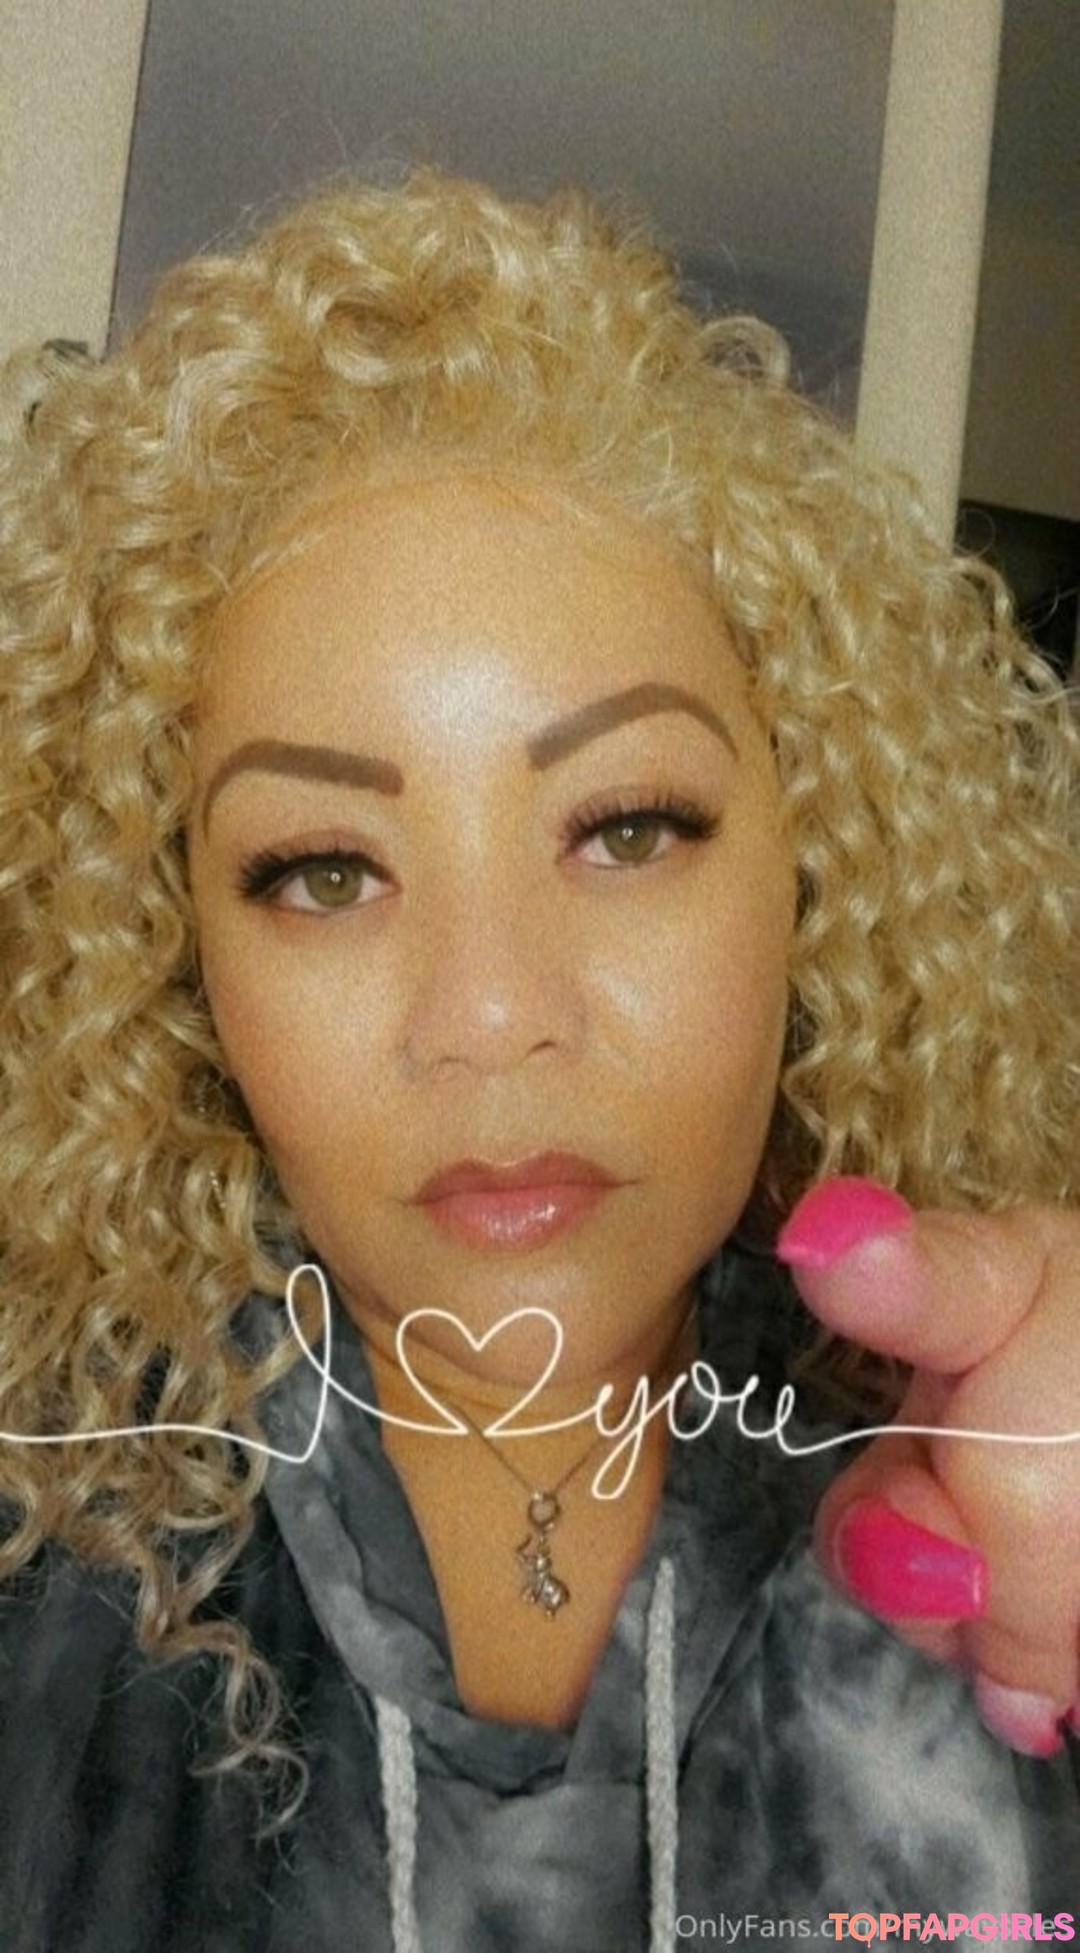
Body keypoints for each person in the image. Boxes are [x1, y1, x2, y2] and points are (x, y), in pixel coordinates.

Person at [0, 170, 1076, 1952]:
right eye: (322, 870)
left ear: (820, 864)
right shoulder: (46, 1532)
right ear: (176, 955)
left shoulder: (996, 1470)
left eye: (628, 826)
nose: (493, 1014)